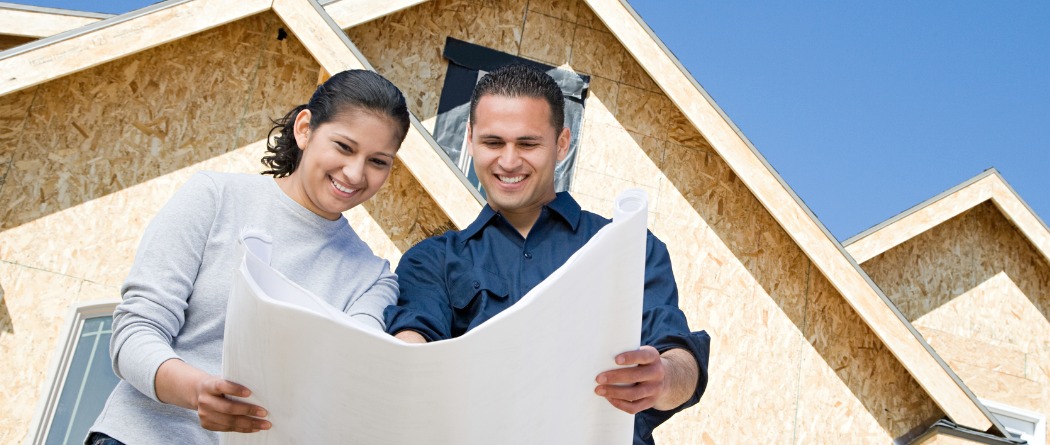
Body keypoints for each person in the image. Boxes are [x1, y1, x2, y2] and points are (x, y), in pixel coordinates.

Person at [385, 64, 709, 444]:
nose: (508, 161)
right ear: (470, 140)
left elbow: (677, 354)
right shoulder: (432, 261)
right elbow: (413, 342)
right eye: (493, 143)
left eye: (527, 144)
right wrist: (403, 365)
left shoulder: (629, 247)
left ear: (561, 143)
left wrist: (664, 377)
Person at [86, 69, 411, 445]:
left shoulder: (372, 278)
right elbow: (134, 333)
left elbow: (346, 376)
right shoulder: (214, 198)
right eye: (344, 147)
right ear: (305, 129)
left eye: (378, 161)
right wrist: (197, 391)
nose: (355, 173)